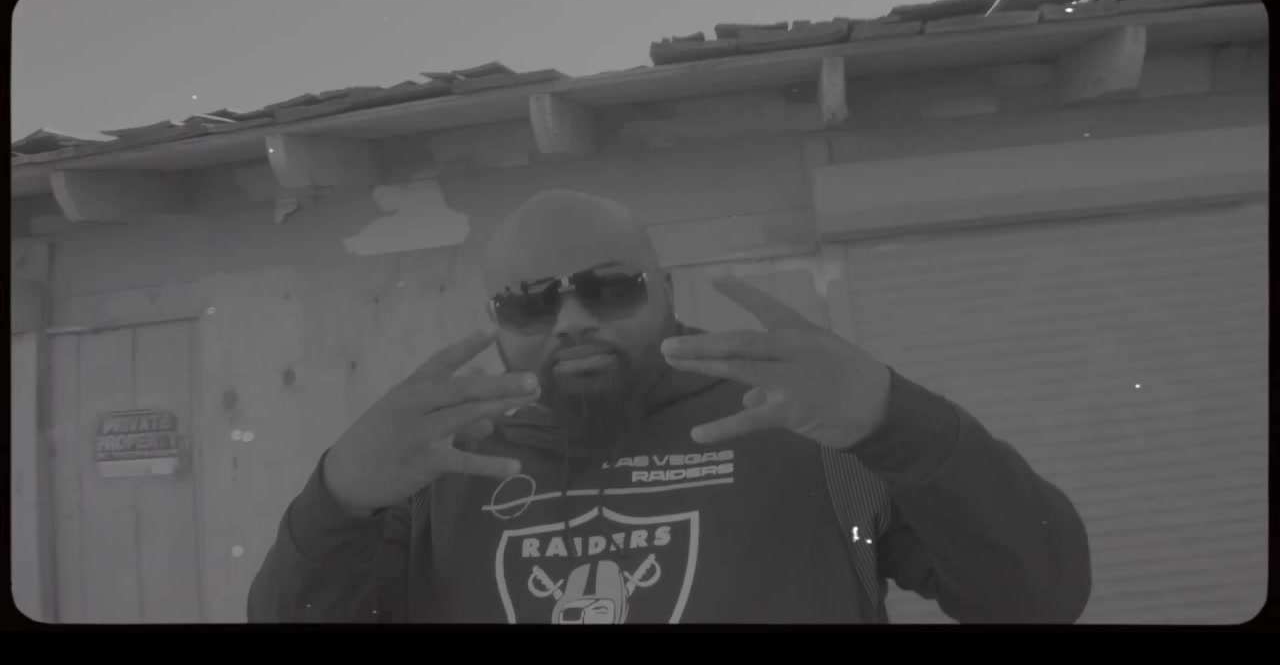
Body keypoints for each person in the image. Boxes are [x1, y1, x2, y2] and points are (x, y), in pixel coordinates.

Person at [247, 189, 1092, 625]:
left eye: (609, 289)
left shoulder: (806, 424)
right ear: (494, 325)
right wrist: (337, 500)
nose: (572, 322)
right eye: (530, 303)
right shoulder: (440, 468)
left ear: (667, 291)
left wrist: (900, 422)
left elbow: (1038, 597)